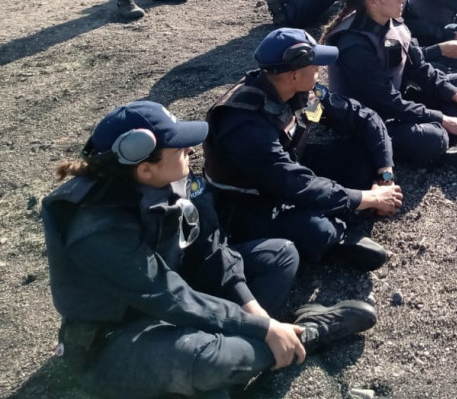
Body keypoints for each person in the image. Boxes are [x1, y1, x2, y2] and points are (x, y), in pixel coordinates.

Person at [43, 100, 376, 399]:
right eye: (178, 146)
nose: (190, 147)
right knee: (202, 359)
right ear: (144, 169)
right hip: (120, 335)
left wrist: (253, 311)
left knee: (279, 255)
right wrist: (265, 328)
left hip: (178, 289)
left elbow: (210, 245)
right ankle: (306, 336)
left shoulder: (167, 177)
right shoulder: (98, 231)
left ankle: (243, 360)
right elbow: (169, 297)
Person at [205, 29, 403, 267]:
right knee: (318, 231)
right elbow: (292, 182)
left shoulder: (301, 91)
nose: (320, 71)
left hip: (292, 165)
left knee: (362, 152)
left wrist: (386, 174)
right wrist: (368, 196)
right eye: (315, 66)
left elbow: (364, 117)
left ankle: (349, 213)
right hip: (249, 199)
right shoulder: (243, 123)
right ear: (294, 74)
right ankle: (340, 233)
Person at [324, 0, 457, 171]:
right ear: (372, 1)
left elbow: (421, 70)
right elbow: (384, 101)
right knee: (433, 137)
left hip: (396, 98)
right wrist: (440, 117)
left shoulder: (393, 23)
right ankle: (450, 143)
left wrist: (455, 96)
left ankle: (456, 134)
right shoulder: (354, 44)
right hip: (368, 119)